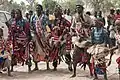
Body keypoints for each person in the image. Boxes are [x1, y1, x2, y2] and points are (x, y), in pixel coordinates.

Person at [71, 4, 93, 77]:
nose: (78, 9)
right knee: (75, 56)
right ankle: (74, 73)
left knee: (88, 56)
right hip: (78, 39)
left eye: (79, 8)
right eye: (77, 8)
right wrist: (75, 33)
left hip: (86, 38)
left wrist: (85, 25)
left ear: (82, 9)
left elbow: (92, 24)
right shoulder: (74, 17)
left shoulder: (87, 17)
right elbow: (72, 27)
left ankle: (91, 73)